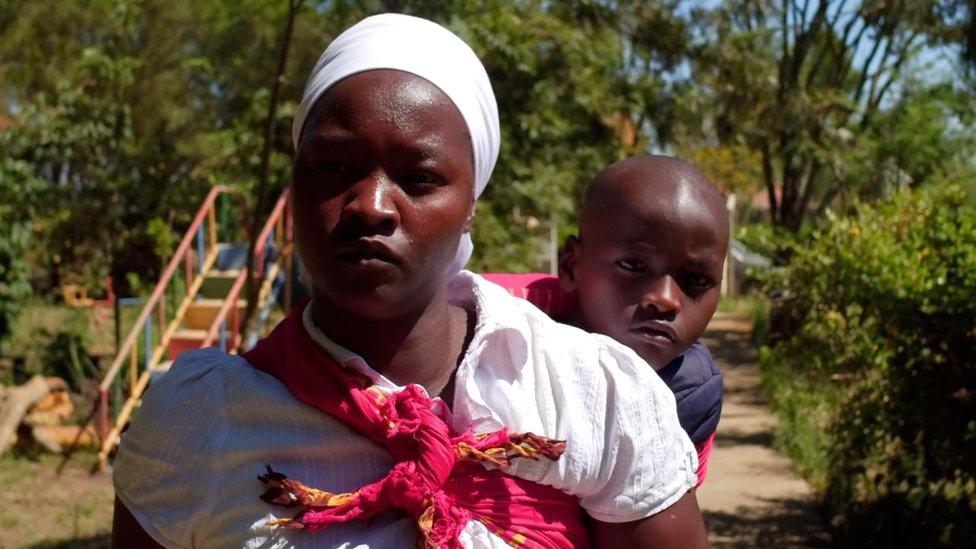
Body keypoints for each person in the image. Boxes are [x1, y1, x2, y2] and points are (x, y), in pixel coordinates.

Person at [111, 14, 707, 548]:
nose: (370, 206)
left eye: (418, 178)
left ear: (471, 203)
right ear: (294, 187)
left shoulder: (590, 394)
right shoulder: (198, 424)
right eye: (335, 167)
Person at [484, 155, 728, 486]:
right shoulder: (492, 324)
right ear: (572, 265)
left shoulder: (690, 395)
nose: (666, 299)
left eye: (696, 281)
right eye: (633, 266)